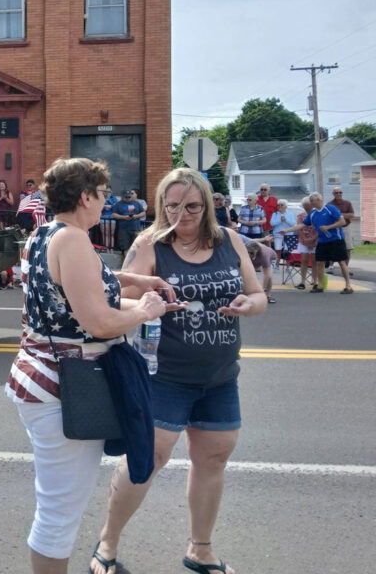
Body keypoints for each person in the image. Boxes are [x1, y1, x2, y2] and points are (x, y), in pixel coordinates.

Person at [90, 167, 266, 574]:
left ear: (206, 204)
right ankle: (108, 542)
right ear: (160, 206)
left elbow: (257, 296)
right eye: (171, 206)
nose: (181, 215)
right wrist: (149, 303)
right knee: (148, 458)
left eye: (191, 206)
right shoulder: (150, 245)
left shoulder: (230, 242)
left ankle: (200, 548)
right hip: (164, 374)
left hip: (221, 376)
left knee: (214, 458)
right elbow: (116, 303)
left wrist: (248, 305)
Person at [5, 157, 169, 574]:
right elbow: (98, 321)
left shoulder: (43, 234)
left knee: (57, 505)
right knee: (59, 513)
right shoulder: (74, 240)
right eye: (102, 195)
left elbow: (84, 288)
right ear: (85, 196)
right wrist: (145, 310)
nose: (104, 203)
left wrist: (139, 286)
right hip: (66, 386)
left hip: (40, 376)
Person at [305, 191, 352, 294]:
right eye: (310, 201)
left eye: (312, 200)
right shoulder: (313, 213)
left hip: (336, 239)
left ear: (319, 200)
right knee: (319, 262)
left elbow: (342, 222)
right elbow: (303, 224)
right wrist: (287, 230)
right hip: (322, 241)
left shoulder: (330, 208)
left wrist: (328, 227)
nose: (311, 203)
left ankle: (348, 286)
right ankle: (320, 285)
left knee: (341, 262)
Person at [291, 195, 318, 290]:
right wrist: (305, 240)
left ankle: (315, 281)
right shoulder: (300, 216)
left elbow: (319, 229)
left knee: (315, 261)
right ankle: (302, 281)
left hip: (315, 240)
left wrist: (313, 239)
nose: (306, 206)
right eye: (304, 204)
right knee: (304, 261)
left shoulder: (316, 214)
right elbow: (299, 229)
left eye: (308, 204)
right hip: (303, 240)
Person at [243, 238, 277, 304]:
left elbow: (267, 275)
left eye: (251, 253)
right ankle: (249, 291)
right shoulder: (244, 248)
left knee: (269, 277)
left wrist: (262, 290)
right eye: (248, 252)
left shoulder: (264, 254)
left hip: (271, 258)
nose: (249, 254)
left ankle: (267, 294)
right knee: (248, 273)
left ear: (256, 251)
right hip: (255, 259)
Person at [328, 186, 355, 266]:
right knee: (332, 247)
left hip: (346, 227)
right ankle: (330, 267)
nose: (338, 194)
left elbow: (352, 215)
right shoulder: (329, 204)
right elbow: (328, 216)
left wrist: (339, 215)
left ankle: (346, 267)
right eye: (336, 192)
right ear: (333, 194)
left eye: (340, 192)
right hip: (334, 228)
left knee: (348, 248)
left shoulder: (347, 203)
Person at [112, 190, 142, 254]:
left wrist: (136, 216)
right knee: (125, 247)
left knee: (137, 247)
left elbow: (143, 212)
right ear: (123, 197)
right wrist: (124, 217)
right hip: (124, 229)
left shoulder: (136, 203)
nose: (128, 198)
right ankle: (127, 262)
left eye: (129, 197)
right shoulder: (118, 204)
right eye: (126, 197)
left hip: (135, 228)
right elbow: (114, 214)